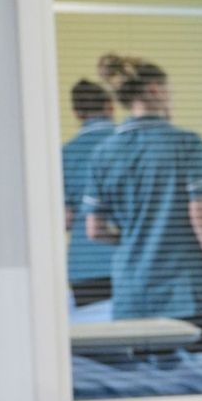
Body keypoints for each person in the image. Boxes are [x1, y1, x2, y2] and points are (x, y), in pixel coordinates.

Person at [78, 55, 202, 330]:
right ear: (155, 90)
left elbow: (94, 230)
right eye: (169, 91)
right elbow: (200, 214)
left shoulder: (102, 154)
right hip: (184, 292)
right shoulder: (186, 143)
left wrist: (138, 236)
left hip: (133, 295)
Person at [62, 75, 118, 307]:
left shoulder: (65, 155)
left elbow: (65, 219)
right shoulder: (128, 144)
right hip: (130, 263)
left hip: (84, 267)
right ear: (110, 106)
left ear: (76, 113)